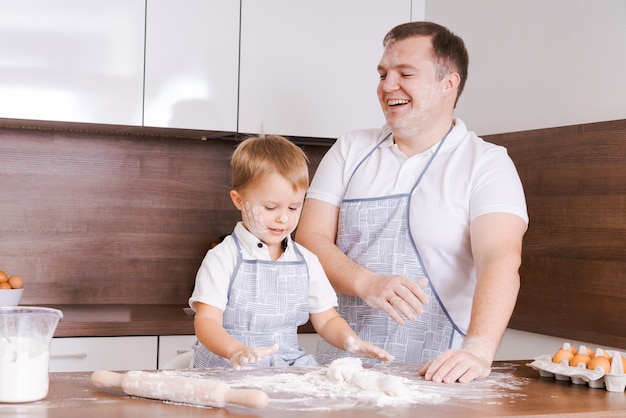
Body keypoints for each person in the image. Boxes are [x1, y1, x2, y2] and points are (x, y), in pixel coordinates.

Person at [295, 21, 528, 383]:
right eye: (383, 73)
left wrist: (478, 351)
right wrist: (367, 283)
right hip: (340, 373)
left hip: (436, 377)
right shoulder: (351, 149)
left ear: (448, 84)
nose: (387, 86)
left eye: (405, 73)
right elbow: (309, 240)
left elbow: (499, 258)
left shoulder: (486, 163)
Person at [189, 134, 393, 370]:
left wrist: (351, 341)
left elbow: (326, 319)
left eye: (294, 207)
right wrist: (234, 350)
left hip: (285, 367)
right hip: (227, 366)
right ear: (238, 200)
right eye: (270, 207)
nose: (283, 218)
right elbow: (206, 321)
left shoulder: (306, 261)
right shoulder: (223, 259)